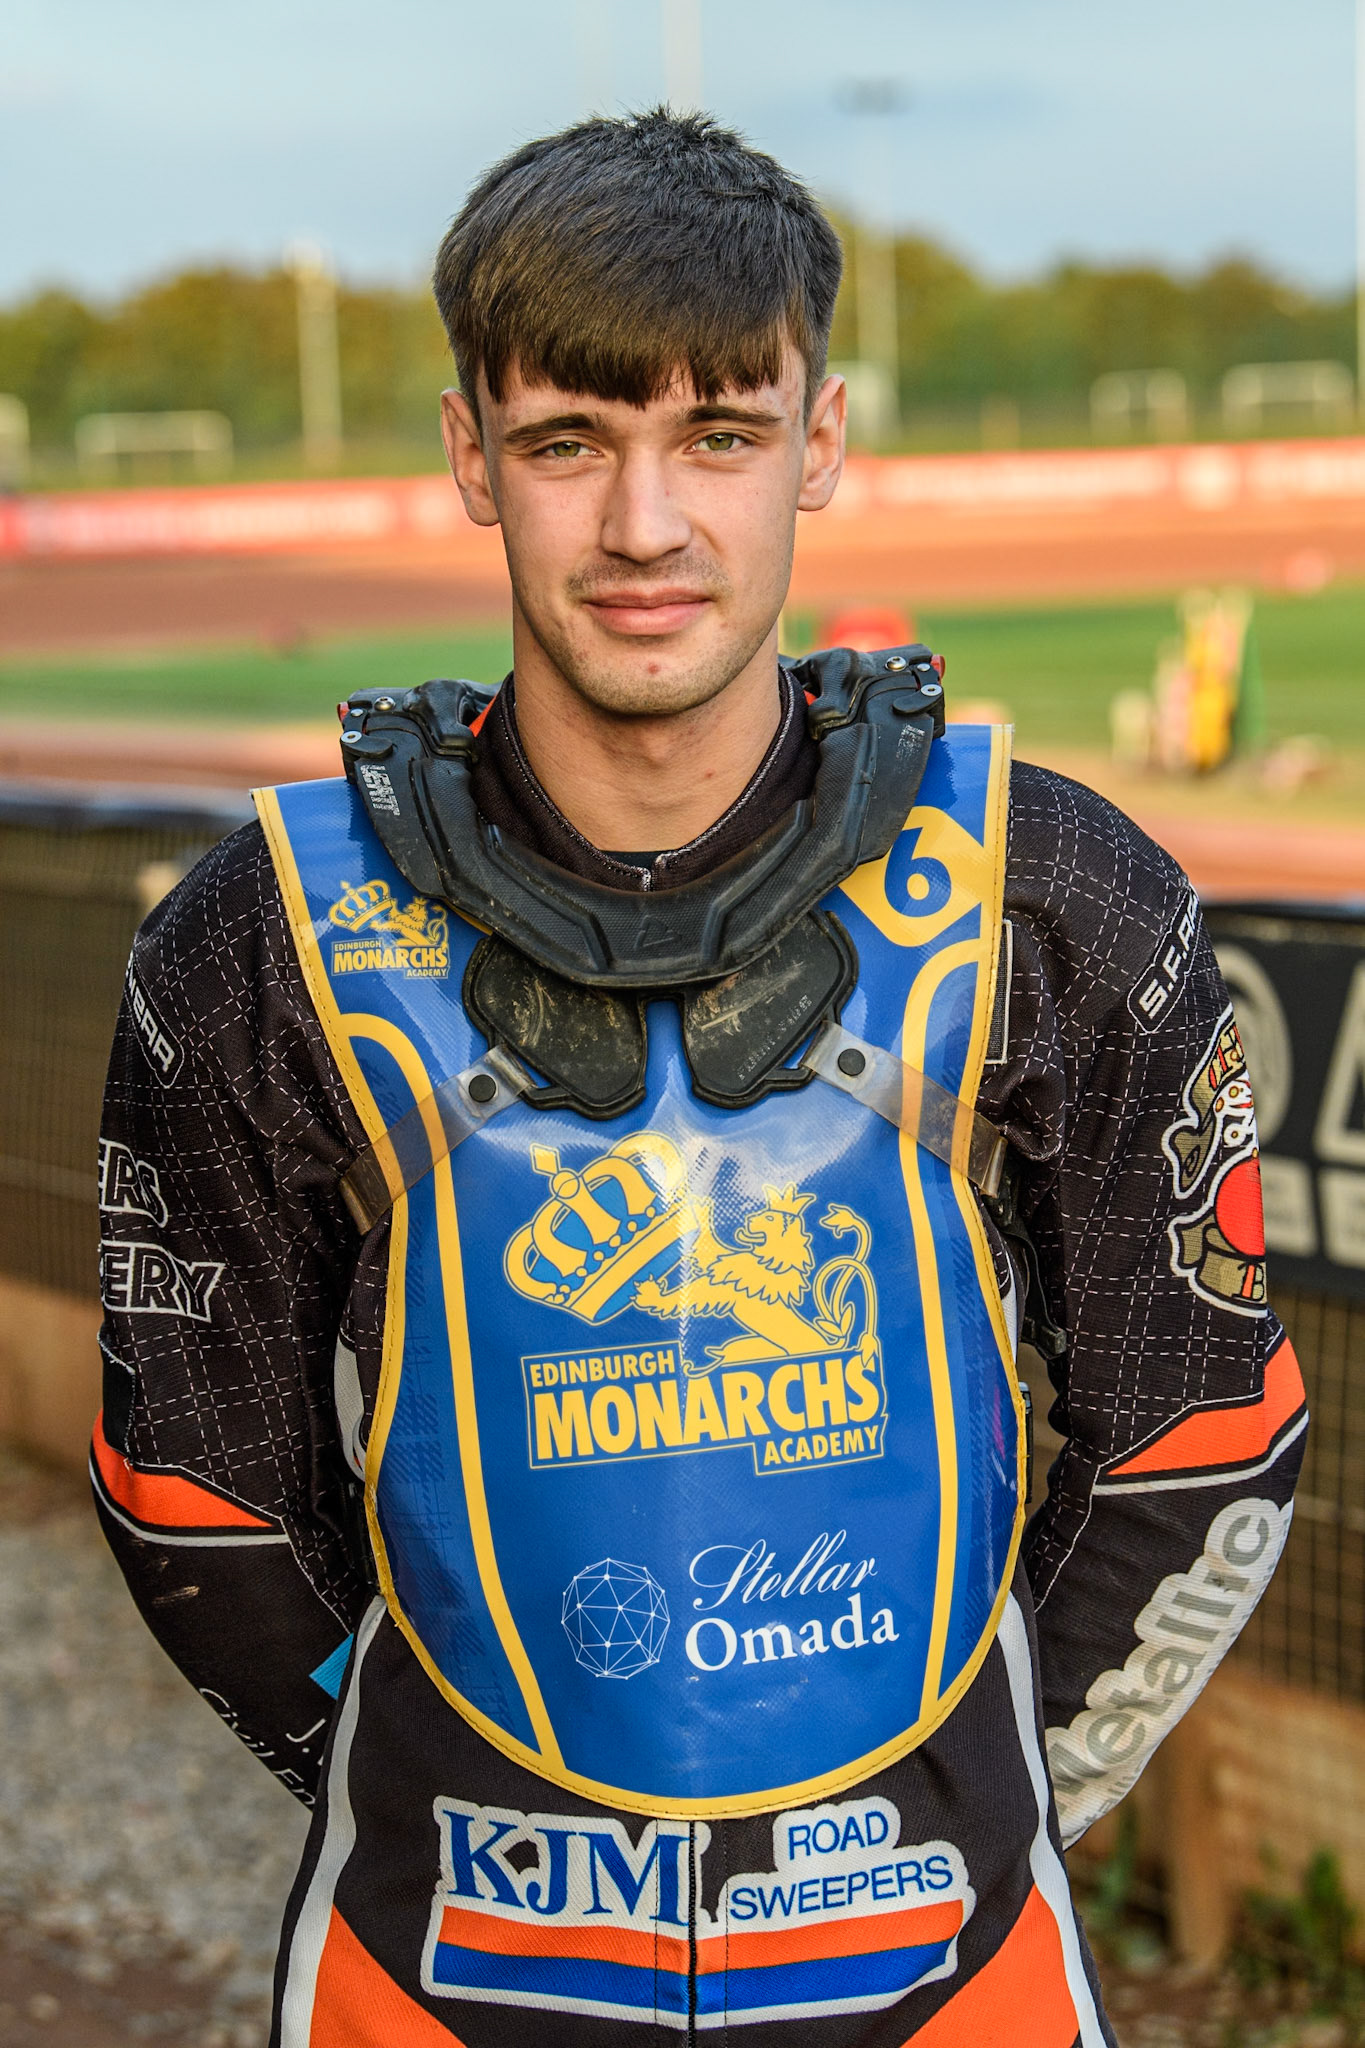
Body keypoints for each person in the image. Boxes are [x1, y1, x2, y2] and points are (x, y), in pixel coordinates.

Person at [94, 109, 1305, 2048]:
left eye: (715, 437)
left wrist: (980, 1798)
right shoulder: (257, 935)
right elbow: (199, 1491)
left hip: (947, 1952)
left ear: (815, 443)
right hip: (443, 1957)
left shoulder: (1050, 887)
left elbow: (1195, 1428)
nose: (644, 525)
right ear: (469, 454)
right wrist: (430, 1774)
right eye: (570, 440)